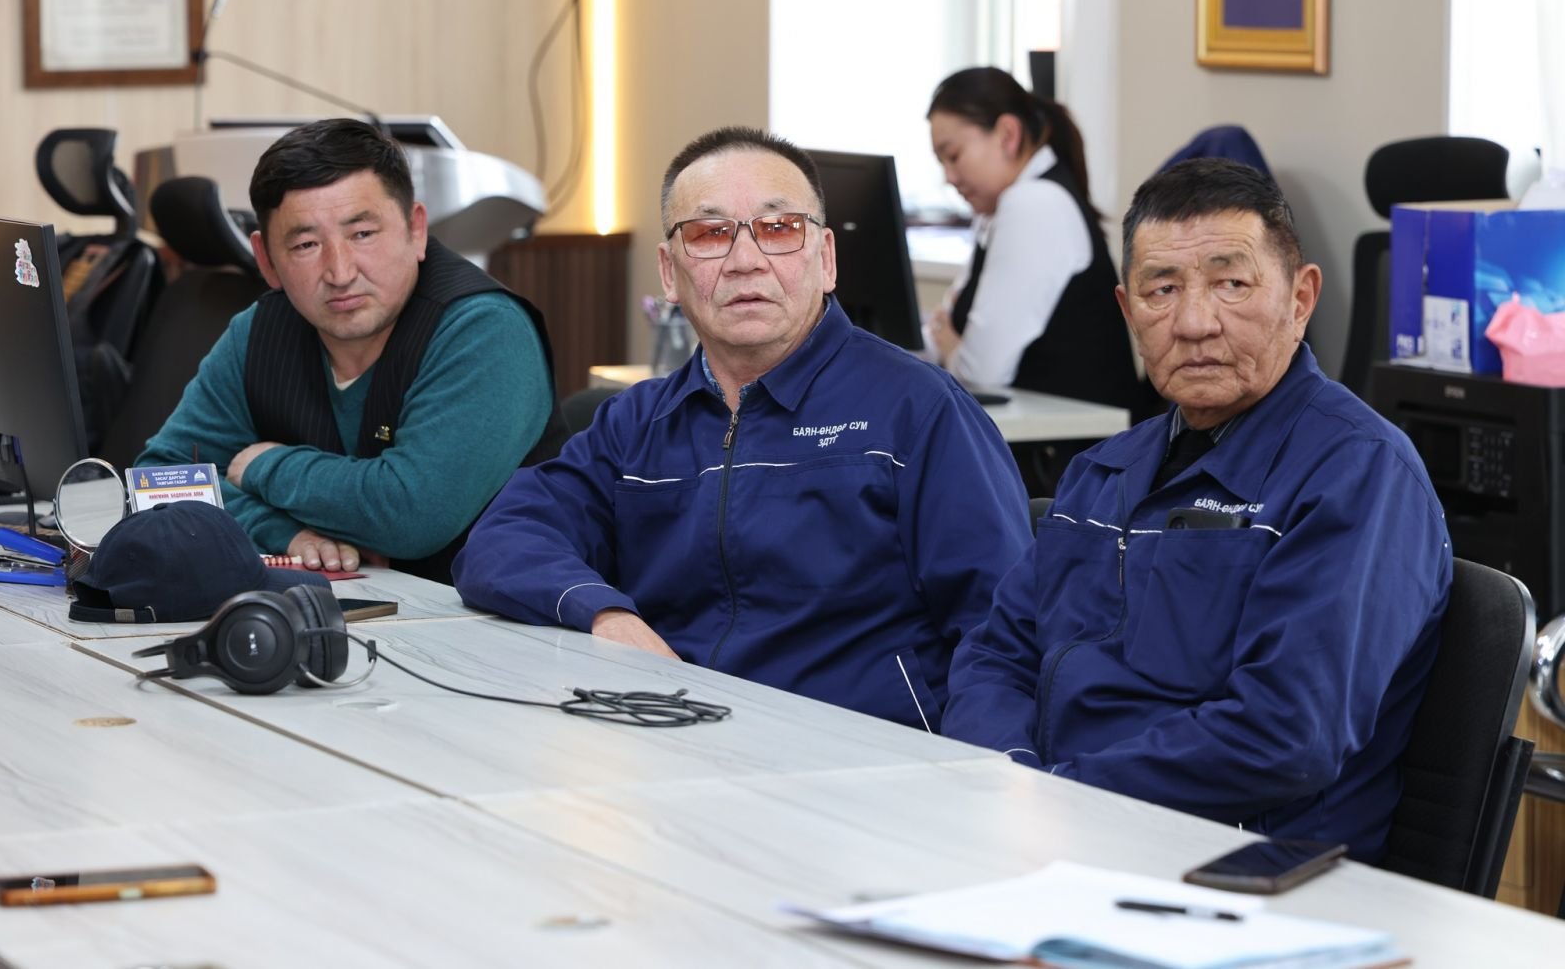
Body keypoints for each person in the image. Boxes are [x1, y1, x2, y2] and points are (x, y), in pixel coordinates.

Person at [942, 158, 1451, 862]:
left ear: (1300, 299)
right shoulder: (1103, 470)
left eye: (1231, 284)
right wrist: (1008, 776)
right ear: (1129, 311)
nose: (1193, 322)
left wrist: (1062, 796)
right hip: (1055, 832)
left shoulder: (1358, 472)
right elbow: (995, 655)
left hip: (1232, 867)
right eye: (1162, 289)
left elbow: (1285, 733)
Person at [453, 126, 1030, 730]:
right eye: (710, 234)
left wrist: (979, 773)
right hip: (673, 734)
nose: (746, 261)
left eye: (779, 229)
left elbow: (1003, 634)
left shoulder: (919, 410)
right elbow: (502, 539)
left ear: (826, 259)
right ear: (669, 273)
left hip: (860, 756)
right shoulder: (638, 423)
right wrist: (604, 616)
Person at [136, 118, 558, 582]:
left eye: (362, 234)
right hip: (343, 607)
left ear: (416, 230)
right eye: (306, 244)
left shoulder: (483, 329)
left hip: (494, 611)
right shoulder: (258, 331)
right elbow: (160, 480)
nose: (339, 272)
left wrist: (264, 466)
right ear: (267, 261)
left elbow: (409, 515)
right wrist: (280, 530)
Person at [924, 66, 1144, 414]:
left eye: (953, 156)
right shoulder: (1001, 210)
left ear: (1007, 135)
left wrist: (953, 348)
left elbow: (981, 373)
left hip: (1075, 442)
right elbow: (943, 326)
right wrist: (951, 346)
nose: (948, 177)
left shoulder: (1034, 204)